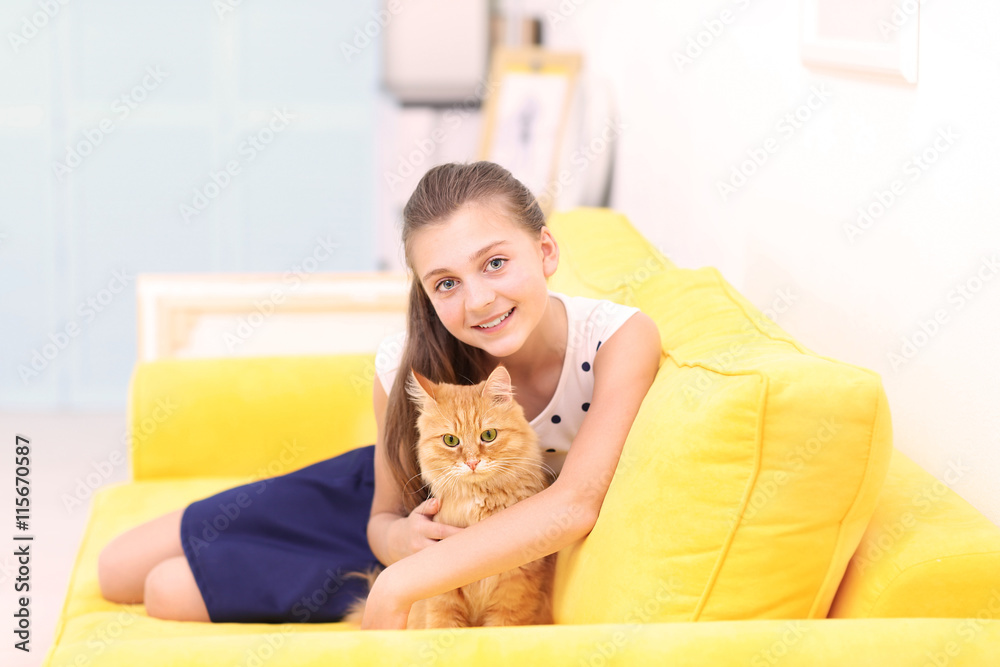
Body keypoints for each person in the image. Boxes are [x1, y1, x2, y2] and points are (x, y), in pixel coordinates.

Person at [97, 161, 662, 630]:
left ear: (545, 251)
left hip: (484, 551)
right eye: (446, 283)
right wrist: (401, 543)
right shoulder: (407, 364)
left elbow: (574, 504)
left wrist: (402, 583)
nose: (479, 300)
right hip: (408, 514)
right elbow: (382, 519)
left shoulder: (617, 340)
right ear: (426, 291)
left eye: (495, 263)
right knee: (117, 568)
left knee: (166, 590)